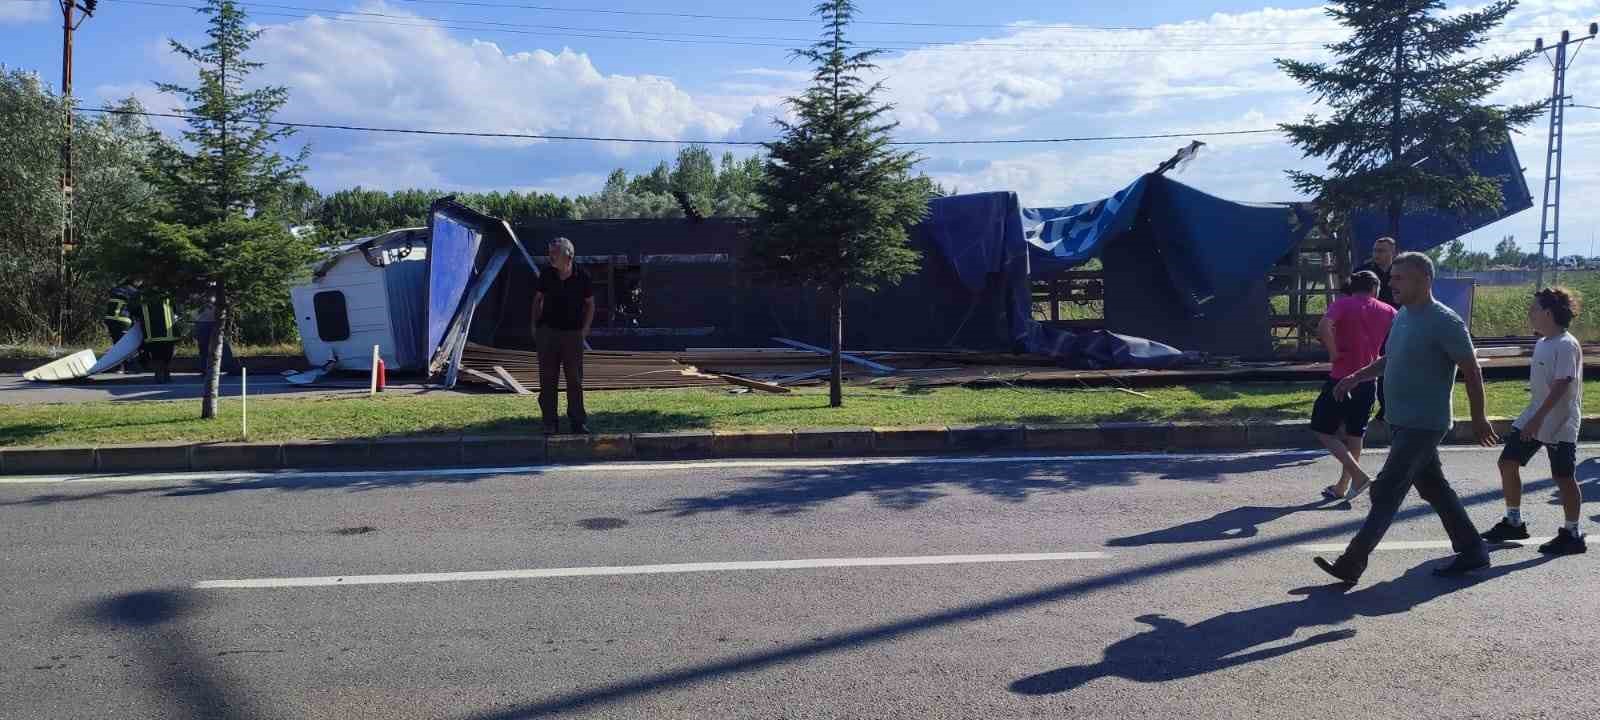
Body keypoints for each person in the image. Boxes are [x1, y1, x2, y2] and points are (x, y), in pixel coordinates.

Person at [1313, 252, 1497, 584]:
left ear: (1424, 280)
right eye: (1391, 277)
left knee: (1386, 489)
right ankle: (1473, 550)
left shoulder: (1445, 321)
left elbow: (1472, 369)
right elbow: (1389, 358)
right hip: (1401, 420)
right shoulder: (1403, 317)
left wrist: (1479, 417)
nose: (1391, 283)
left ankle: (1351, 563)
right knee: (1434, 488)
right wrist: (1356, 376)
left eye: (1399, 278)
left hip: (1425, 423)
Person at [1480, 287, 1587, 555]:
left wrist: (1536, 421)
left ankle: (1572, 534)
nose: (1530, 313)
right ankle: (1514, 522)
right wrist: (1533, 417)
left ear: (1548, 313)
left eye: (1534, 309)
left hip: (1560, 423)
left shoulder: (1566, 343)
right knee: (1507, 462)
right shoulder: (1543, 342)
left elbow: (1562, 385)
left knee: (1563, 477)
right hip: (1535, 416)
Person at [1312, 270, 1397, 502]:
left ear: (1353, 286)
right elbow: (1401, 336)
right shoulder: (1389, 310)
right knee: (1355, 433)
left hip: (1341, 377)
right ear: (1375, 288)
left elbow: (1323, 326)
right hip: (1369, 379)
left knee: (1322, 428)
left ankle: (1358, 477)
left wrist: (1333, 352)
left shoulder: (1343, 304)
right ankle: (1342, 487)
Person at [533, 237, 594, 435]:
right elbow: (537, 299)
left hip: (573, 335)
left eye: (555, 252)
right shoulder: (546, 274)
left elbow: (590, 304)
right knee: (548, 379)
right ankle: (549, 422)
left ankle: (577, 421)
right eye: (549, 252)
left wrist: (585, 330)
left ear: (568, 254)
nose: (550, 256)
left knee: (575, 379)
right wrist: (535, 326)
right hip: (548, 333)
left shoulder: (582, 275)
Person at [1358, 236, 1399, 423]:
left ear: (1393, 253)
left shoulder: (1400, 273)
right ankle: (1362, 408)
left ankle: (1387, 407)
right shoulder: (1362, 273)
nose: (1377, 254)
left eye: (1381, 251)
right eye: (1375, 250)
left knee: (1390, 368)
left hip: (1396, 327)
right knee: (1366, 367)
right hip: (1368, 328)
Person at [136, 291, 181, 384]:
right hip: (168, 334)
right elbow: (176, 310)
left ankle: (159, 375)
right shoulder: (167, 295)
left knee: (157, 356)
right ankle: (166, 375)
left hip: (152, 334)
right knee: (167, 356)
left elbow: (135, 311)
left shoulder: (142, 296)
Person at [102, 284, 140, 373]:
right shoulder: (133, 293)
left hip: (110, 320)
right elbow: (136, 310)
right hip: (122, 320)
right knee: (125, 345)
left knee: (117, 344)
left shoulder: (116, 291)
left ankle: (119, 367)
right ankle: (128, 367)